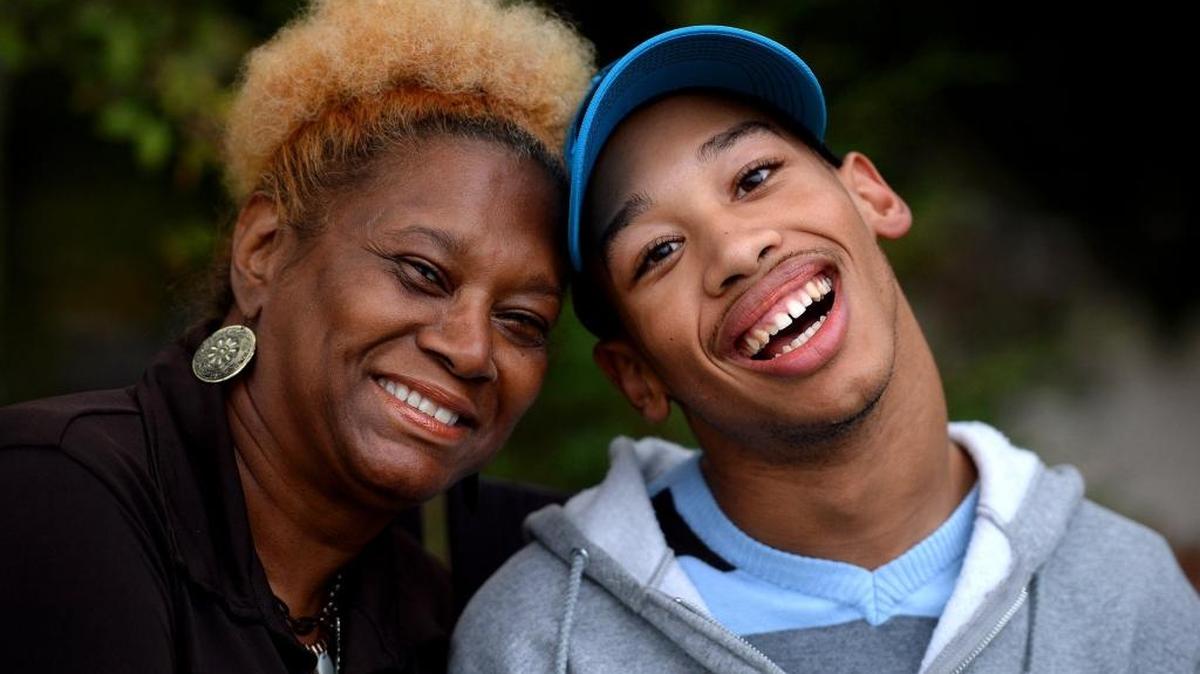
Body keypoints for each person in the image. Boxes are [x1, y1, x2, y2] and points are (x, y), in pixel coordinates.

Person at [451, 25, 1200, 673]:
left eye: (754, 177)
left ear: (872, 195)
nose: (738, 250)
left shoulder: (1128, 594)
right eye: (660, 252)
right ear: (636, 375)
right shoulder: (538, 642)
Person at [0, 0, 592, 671]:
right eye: (423, 273)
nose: (470, 349)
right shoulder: (63, 492)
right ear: (263, 250)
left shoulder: (432, 614)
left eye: (521, 322)